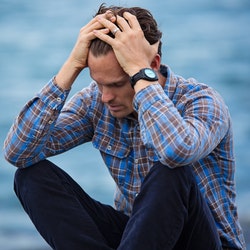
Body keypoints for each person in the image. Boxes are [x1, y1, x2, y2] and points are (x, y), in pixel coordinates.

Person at [3, 4, 246, 250]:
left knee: (171, 171)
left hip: (205, 242)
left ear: (151, 65)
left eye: (118, 84)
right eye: (99, 84)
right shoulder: (96, 103)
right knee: (30, 177)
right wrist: (72, 66)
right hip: (137, 238)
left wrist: (141, 76)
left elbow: (175, 151)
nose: (106, 96)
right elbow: (18, 153)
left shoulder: (201, 101)